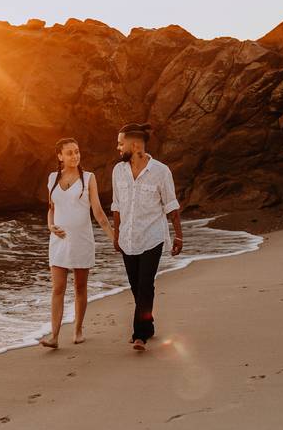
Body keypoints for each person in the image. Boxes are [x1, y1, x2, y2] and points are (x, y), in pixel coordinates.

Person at [112, 123, 183, 351]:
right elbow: (117, 205)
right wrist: (116, 235)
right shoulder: (118, 171)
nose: (118, 147)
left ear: (134, 145)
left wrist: (178, 237)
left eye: (121, 143)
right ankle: (148, 323)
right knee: (136, 285)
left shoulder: (161, 171)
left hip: (152, 236)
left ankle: (139, 334)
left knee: (145, 284)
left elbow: (171, 205)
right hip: (128, 238)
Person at [40, 137, 115, 348]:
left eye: (77, 151)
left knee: (80, 287)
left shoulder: (88, 178)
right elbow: (51, 208)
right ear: (60, 156)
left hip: (82, 240)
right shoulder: (53, 178)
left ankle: (78, 329)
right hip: (58, 241)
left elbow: (98, 212)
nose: (75, 156)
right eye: (69, 153)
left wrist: (113, 238)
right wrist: (50, 226)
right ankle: (54, 336)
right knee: (58, 288)